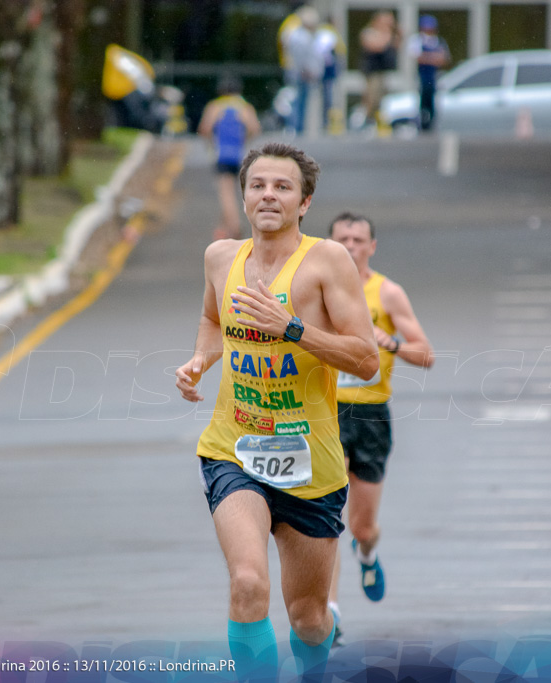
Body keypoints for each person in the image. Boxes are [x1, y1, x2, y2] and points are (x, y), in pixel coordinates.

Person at [175, 143, 379, 681]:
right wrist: (201, 359)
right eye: (258, 184)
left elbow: (366, 360)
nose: (268, 194)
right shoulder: (221, 257)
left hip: (310, 463)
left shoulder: (327, 262)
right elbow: (212, 318)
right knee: (248, 584)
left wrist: (290, 329)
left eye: (282, 186)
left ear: (305, 202)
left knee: (308, 619)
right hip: (234, 449)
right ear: (243, 195)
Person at [325, 211, 434, 642]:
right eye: (342, 239)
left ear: (372, 246)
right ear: (329, 245)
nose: (350, 246)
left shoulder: (387, 293)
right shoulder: (316, 287)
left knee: (361, 527)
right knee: (326, 516)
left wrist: (384, 340)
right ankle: (330, 612)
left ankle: (367, 556)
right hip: (325, 412)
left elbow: (426, 355)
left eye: (358, 239)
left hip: (371, 416)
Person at [198, 77, 261, 240]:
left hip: (223, 154)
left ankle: (234, 227)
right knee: (237, 191)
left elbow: (204, 128)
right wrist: (244, 140)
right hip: (240, 155)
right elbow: (255, 128)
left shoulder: (215, 106)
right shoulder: (244, 107)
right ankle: (223, 227)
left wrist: (212, 142)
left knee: (226, 193)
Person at [284, 6, 325, 135]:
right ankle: (296, 128)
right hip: (302, 73)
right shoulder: (301, 37)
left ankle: (297, 128)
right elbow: (303, 58)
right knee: (298, 101)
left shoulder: (299, 35)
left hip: (301, 73)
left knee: (299, 100)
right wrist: (307, 70)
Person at [407, 15, 451, 131]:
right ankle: (422, 123)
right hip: (422, 76)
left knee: (433, 101)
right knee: (422, 100)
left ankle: (430, 124)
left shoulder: (438, 41)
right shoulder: (418, 40)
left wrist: (429, 58)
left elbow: (444, 59)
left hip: (434, 76)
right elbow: (417, 57)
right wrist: (433, 58)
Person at [359, 11, 400, 126]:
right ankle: (367, 122)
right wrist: (387, 33)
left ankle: (378, 122)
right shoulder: (369, 32)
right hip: (372, 72)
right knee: (372, 99)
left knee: (382, 99)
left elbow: (397, 45)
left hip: (383, 71)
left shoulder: (388, 34)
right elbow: (377, 46)